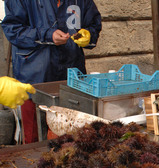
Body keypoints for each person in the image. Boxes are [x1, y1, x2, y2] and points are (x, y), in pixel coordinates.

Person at [1, 0, 102, 143]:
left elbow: (94, 25)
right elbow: (13, 29)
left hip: (71, 76)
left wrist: (89, 35)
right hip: (34, 76)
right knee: (34, 140)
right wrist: (47, 35)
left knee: (71, 137)